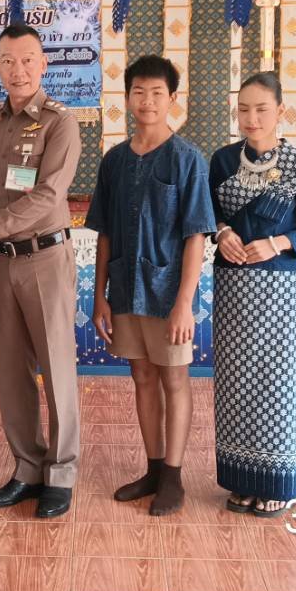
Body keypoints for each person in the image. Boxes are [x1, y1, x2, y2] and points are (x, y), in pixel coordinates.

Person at [0, 23, 82, 519]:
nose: (18, 68)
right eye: (7, 59)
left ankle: (62, 474)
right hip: (0, 264)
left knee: (56, 369)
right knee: (11, 373)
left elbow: (47, 196)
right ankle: (27, 468)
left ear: (43, 63)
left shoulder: (59, 123)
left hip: (45, 257)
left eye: (27, 59)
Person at [89, 56, 215, 516]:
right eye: (138, 92)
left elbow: (196, 236)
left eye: (156, 93)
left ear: (172, 100)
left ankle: (175, 478)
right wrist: (98, 295)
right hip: (124, 289)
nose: (146, 101)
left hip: (168, 295)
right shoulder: (115, 160)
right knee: (141, 376)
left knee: (174, 379)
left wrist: (185, 305)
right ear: (127, 99)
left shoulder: (188, 159)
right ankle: (154, 467)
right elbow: (103, 232)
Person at [209, 73, 296, 517]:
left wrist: (277, 243)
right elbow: (209, 217)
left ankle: (279, 481)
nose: (251, 118)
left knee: (278, 386)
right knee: (238, 386)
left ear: (280, 112)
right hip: (233, 290)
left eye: (261, 109)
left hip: (280, 292)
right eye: (243, 109)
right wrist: (223, 233)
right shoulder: (222, 162)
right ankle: (243, 480)